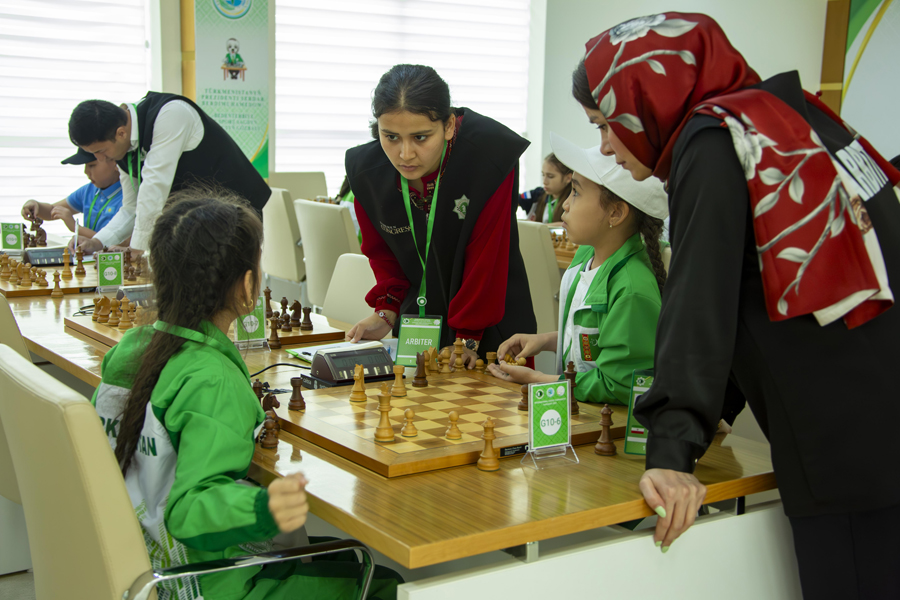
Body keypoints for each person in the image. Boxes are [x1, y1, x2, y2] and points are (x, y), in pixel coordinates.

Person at [572, 12, 900, 595]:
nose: (606, 148)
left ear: (644, 96)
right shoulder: (786, 115)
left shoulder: (712, 138)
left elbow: (702, 297)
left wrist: (671, 452)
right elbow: (766, 290)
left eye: (605, 124)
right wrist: (714, 410)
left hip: (848, 447)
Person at [91, 191, 402, 600]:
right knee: (386, 584)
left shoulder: (129, 349)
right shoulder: (211, 377)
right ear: (248, 284)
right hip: (212, 583)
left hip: (148, 564)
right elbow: (188, 507)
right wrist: (260, 508)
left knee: (333, 559)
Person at [344, 64, 536, 361]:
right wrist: (387, 311)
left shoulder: (490, 157)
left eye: (420, 137)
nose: (405, 154)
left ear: (448, 126)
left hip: (491, 324)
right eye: (390, 136)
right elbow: (382, 253)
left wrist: (467, 340)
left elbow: (487, 257)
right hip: (418, 324)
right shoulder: (367, 171)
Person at [490, 133, 667, 407]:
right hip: (579, 415)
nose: (565, 204)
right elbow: (597, 339)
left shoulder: (632, 290)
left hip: (606, 428)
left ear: (616, 214)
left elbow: (618, 385)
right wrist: (545, 340)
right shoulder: (586, 254)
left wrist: (538, 378)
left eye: (576, 192)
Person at [66, 94, 271, 254]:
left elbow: (154, 188)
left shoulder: (170, 114)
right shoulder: (122, 148)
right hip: (200, 221)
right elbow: (132, 208)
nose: (101, 159)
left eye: (100, 152)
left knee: (228, 298)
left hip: (238, 214)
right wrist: (99, 242)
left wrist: (137, 249)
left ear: (121, 133)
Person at [21, 147, 122, 239]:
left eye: (92, 165)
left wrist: (76, 227)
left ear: (114, 163)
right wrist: (36, 205)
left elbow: (119, 242)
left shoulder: (127, 198)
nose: (86, 171)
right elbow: (52, 211)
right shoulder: (90, 190)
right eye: (86, 166)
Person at [524, 153, 573, 225]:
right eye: (543, 175)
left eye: (550, 176)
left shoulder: (573, 199)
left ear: (568, 178)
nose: (544, 181)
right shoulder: (538, 194)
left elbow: (570, 225)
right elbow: (512, 199)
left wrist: (539, 227)